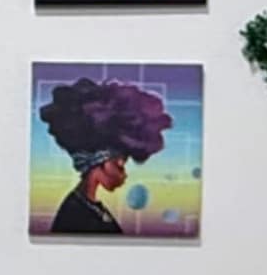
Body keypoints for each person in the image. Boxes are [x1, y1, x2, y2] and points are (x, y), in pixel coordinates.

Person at [41, 71, 171, 237]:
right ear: (99, 161)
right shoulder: (75, 214)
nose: (124, 173)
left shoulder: (89, 206)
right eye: (120, 163)